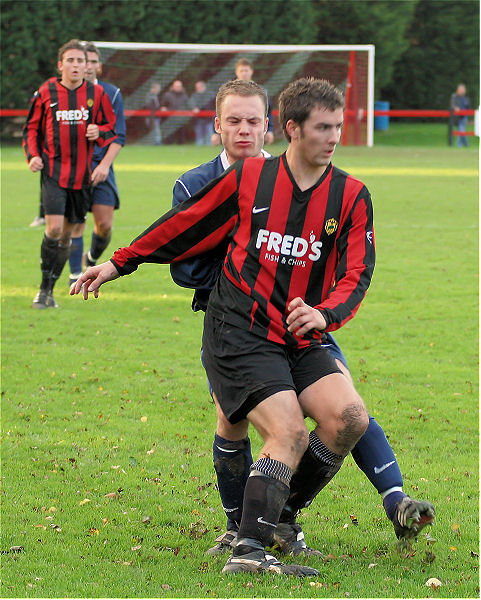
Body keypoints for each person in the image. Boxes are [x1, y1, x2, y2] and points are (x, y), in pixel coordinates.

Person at [72, 77, 378, 577]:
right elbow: (182, 225)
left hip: (299, 334)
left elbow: (357, 272)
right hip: (239, 331)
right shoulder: (250, 178)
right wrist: (118, 263)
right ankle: (247, 552)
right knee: (288, 432)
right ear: (293, 129)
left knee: (349, 419)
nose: (334, 137)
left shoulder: (351, 195)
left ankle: (276, 522)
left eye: (339, 127)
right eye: (323, 128)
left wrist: (325, 314)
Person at [170, 80, 435, 557]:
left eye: (254, 120)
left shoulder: (292, 179)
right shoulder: (197, 184)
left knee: (345, 408)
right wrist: (243, 273)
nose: (246, 130)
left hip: (301, 323)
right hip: (234, 325)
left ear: (273, 125)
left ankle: (283, 520)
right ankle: (241, 530)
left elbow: (343, 263)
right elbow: (184, 261)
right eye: (235, 121)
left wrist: (311, 298)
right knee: (232, 422)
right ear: (217, 127)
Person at [23, 39, 117, 309]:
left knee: (67, 234)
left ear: (86, 66)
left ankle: (49, 290)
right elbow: (30, 128)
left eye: (81, 61)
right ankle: (43, 290)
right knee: (53, 229)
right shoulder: (46, 92)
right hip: (53, 173)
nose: (76, 65)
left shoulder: (96, 94)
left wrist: (99, 131)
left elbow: (111, 130)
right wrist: (33, 155)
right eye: (71, 61)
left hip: (82, 178)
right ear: (60, 65)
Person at [67, 42, 126, 286]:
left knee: (104, 225)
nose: (87, 66)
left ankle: (91, 257)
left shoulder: (111, 93)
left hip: (102, 167)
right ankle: (73, 277)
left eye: (91, 61)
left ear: (98, 66)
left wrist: (104, 165)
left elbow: (118, 135)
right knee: (75, 224)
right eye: (83, 60)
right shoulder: (66, 94)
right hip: (74, 169)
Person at [211, 57, 274, 147]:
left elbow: (268, 112)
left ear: (251, 71)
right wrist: (214, 132)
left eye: (246, 70)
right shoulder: (227, 92)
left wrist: (270, 130)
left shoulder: (261, 92)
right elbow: (219, 112)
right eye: (241, 71)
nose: (244, 73)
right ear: (236, 72)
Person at [161, 79, 189, 144]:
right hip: (170, 119)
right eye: (176, 86)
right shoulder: (167, 95)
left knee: (181, 136)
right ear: (173, 87)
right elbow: (163, 105)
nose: (178, 87)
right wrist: (163, 108)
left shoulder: (184, 95)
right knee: (169, 136)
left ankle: (182, 149)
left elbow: (188, 105)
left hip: (181, 119)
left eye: (179, 86)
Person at [189, 80, 215, 146]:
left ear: (204, 87)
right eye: (197, 87)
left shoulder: (210, 95)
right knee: (199, 134)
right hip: (198, 119)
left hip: (209, 118)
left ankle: (209, 146)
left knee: (209, 133)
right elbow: (191, 103)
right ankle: (199, 147)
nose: (198, 88)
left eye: (199, 87)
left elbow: (215, 104)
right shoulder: (194, 96)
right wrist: (194, 108)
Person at [450, 83, 471, 148]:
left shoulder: (466, 98)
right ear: (458, 90)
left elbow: (469, 107)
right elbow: (452, 105)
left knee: (461, 130)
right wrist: (456, 108)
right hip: (458, 117)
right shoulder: (454, 97)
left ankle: (460, 145)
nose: (463, 91)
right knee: (461, 130)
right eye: (462, 89)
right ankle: (464, 145)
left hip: (465, 117)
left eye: (464, 89)